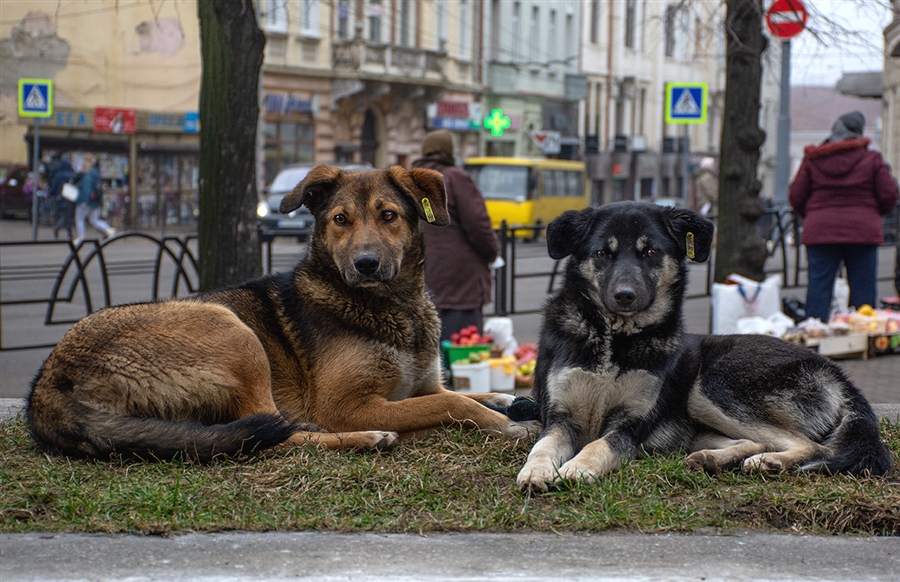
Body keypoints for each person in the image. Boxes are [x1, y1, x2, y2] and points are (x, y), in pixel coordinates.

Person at [789, 111, 899, 322]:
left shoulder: (814, 159)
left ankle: (815, 331)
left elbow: (796, 195)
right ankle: (862, 331)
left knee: (819, 287)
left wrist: (813, 215)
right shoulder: (871, 159)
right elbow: (889, 194)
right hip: (862, 230)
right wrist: (872, 214)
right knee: (863, 289)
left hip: (820, 231)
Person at [411, 129, 500, 342]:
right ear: (449, 151)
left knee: (431, 347)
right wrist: (492, 252)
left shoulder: (414, 181)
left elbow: (428, 219)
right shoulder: (454, 177)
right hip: (460, 281)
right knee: (462, 346)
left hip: (424, 274)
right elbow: (477, 223)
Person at [73, 153, 115, 245]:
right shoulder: (95, 172)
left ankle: (80, 237)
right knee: (94, 220)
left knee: (79, 219)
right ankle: (108, 229)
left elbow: (84, 188)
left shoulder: (84, 172)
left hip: (85, 200)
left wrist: (83, 200)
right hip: (94, 200)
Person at [47, 154, 75, 240]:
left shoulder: (59, 175)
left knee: (63, 215)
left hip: (60, 197)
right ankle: (67, 232)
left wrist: (51, 194)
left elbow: (54, 187)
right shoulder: (72, 175)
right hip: (70, 198)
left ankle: (59, 229)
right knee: (68, 215)